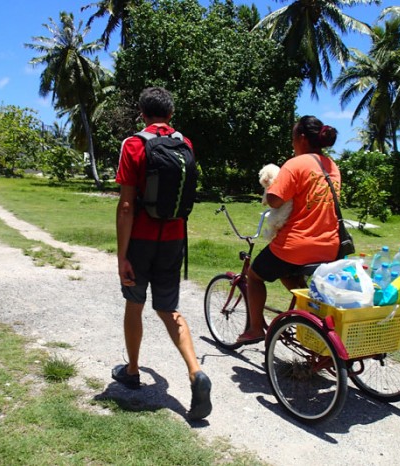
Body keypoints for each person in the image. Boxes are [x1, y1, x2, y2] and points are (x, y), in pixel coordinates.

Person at [113, 87, 212, 421]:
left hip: (141, 239)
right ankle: (196, 372)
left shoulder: (134, 144)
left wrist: (121, 255)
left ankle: (132, 370)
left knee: (135, 304)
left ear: (142, 113)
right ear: (171, 115)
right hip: (173, 238)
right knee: (169, 309)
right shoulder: (186, 145)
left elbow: (127, 206)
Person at [237, 115, 341, 344]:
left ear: (301, 138)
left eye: (293, 136)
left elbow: (274, 200)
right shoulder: (332, 167)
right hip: (330, 246)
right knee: (286, 271)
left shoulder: (295, 164)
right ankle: (309, 318)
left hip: (297, 244)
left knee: (254, 276)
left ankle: (255, 329)